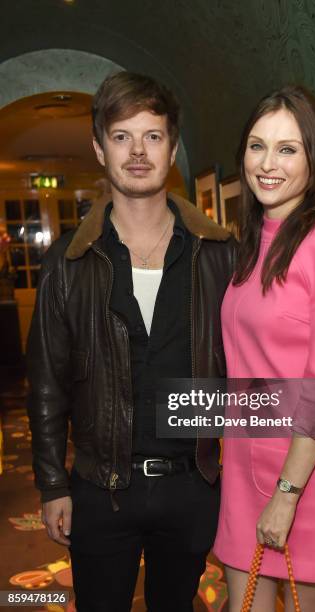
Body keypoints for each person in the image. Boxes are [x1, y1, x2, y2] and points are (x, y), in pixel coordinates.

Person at [27, 71, 236, 612]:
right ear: (100, 149)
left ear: (172, 149)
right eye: (122, 136)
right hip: (100, 490)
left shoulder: (218, 254)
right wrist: (52, 485)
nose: (137, 151)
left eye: (153, 136)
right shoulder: (68, 262)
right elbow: (46, 383)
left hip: (192, 485)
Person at [213, 85, 315, 612]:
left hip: (307, 476)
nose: (268, 163)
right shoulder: (255, 240)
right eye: (257, 146)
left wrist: (287, 496)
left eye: (287, 148)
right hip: (244, 460)